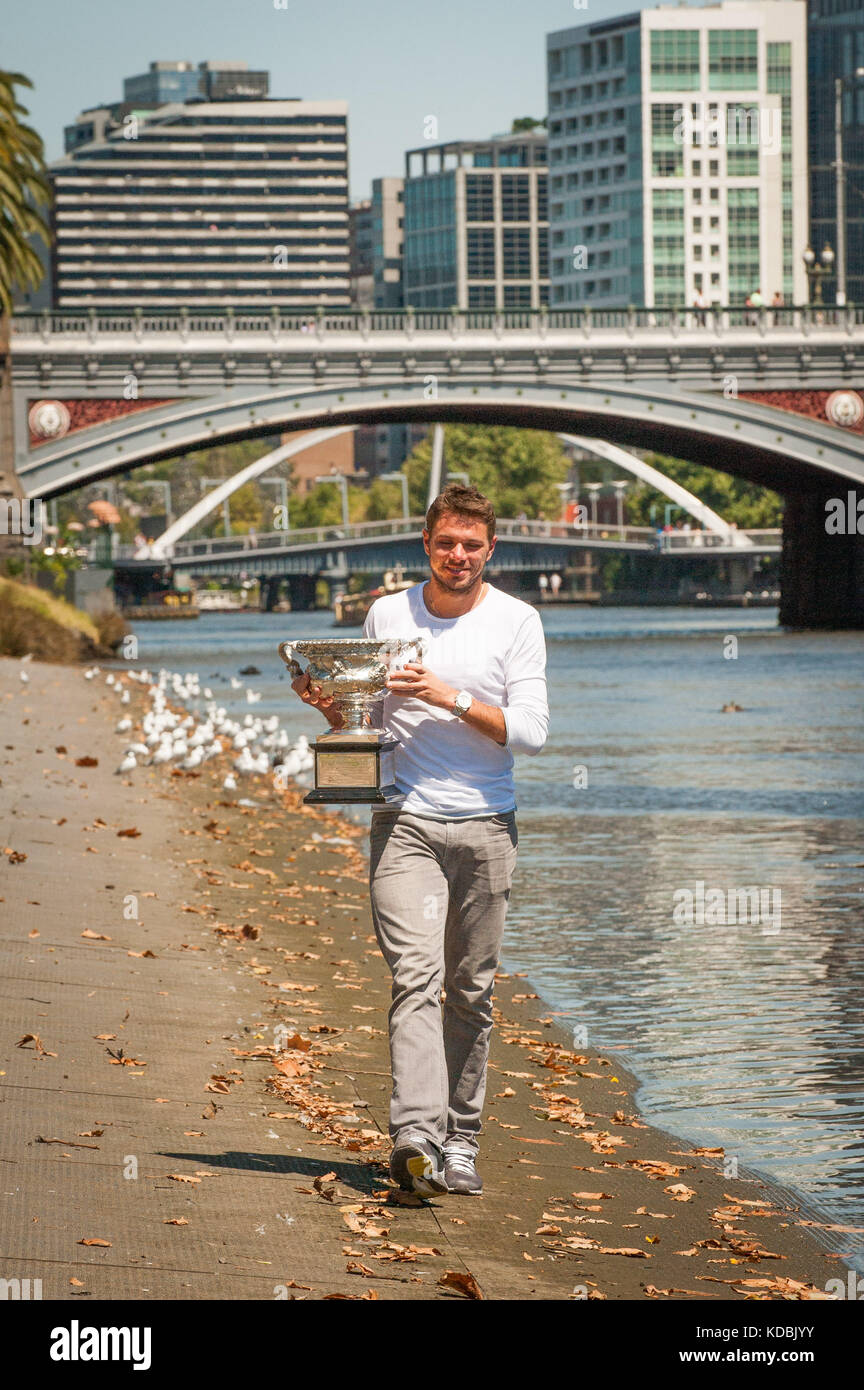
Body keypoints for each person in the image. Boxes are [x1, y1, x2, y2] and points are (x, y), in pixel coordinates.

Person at [290, 484, 549, 1196]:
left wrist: (446, 695)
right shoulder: (387, 613)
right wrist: (328, 700)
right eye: (445, 544)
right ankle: (415, 1138)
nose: (457, 556)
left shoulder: (517, 621)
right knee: (415, 978)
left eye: (471, 545)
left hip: (488, 826)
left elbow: (531, 732)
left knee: (470, 992)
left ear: (490, 549)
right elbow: (365, 714)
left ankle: (461, 1142)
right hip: (403, 821)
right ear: (426, 546)